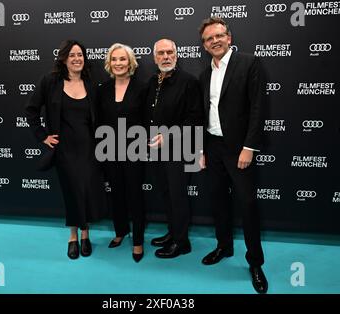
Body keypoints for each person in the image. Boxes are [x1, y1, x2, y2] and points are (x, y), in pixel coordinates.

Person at [198, 17, 268, 293]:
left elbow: (257, 108)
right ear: (204, 45)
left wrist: (249, 147)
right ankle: (224, 247)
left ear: (229, 37)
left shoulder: (249, 63)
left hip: (239, 149)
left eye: (219, 35)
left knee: (248, 205)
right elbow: (202, 115)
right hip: (212, 148)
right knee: (217, 202)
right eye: (208, 38)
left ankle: (255, 263)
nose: (214, 41)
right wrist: (200, 149)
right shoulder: (205, 75)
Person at [24, 40, 107, 260]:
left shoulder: (90, 83)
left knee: (87, 190)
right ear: (64, 59)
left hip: (90, 148)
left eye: (80, 54)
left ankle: (86, 234)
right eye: (72, 55)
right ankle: (73, 236)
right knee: (72, 191)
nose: (77, 58)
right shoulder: (50, 82)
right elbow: (31, 110)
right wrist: (42, 136)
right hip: (64, 149)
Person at [145, 39, 203, 258]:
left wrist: (168, 135)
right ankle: (173, 232)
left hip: (179, 149)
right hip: (156, 150)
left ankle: (182, 242)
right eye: (161, 53)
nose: (166, 56)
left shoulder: (188, 82)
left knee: (178, 196)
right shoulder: (153, 81)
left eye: (170, 52)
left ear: (177, 55)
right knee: (167, 194)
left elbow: (195, 118)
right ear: (155, 57)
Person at [97, 43, 146, 263]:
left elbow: (147, 121)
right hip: (109, 150)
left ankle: (137, 240)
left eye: (122, 59)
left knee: (135, 196)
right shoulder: (102, 90)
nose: (118, 63)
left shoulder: (142, 88)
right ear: (109, 63)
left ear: (130, 63)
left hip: (135, 150)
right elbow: (98, 121)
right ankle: (120, 231)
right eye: (114, 59)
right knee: (116, 193)